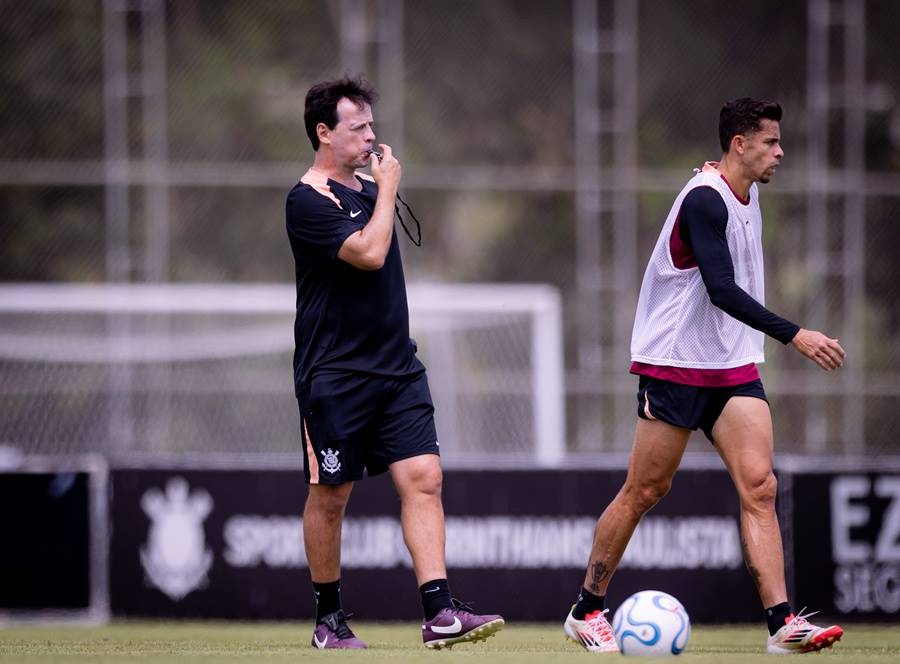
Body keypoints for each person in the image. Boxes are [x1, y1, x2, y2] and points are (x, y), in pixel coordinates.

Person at [563, 98, 846, 655]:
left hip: (731, 364)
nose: (780, 152)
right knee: (646, 489)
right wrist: (796, 334)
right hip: (675, 363)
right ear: (739, 144)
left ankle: (782, 625)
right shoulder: (705, 200)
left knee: (760, 488)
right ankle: (587, 609)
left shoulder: (746, 191)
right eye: (770, 142)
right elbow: (720, 289)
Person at [285, 75, 504, 650]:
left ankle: (440, 613)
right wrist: (385, 190)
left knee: (425, 478)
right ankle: (328, 621)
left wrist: (377, 189)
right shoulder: (306, 200)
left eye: (371, 126)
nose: (370, 136)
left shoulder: (365, 188)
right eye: (357, 127)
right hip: (334, 376)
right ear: (323, 132)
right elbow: (370, 252)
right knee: (330, 498)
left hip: (397, 368)